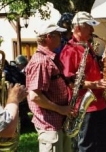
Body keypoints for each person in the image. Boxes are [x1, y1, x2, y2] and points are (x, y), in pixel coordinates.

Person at [59, 11, 106, 152]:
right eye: (89, 26)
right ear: (78, 28)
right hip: (84, 106)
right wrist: (95, 84)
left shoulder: (88, 46)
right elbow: (69, 81)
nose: (93, 30)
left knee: (104, 145)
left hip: (99, 103)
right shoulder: (69, 50)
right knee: (87, 146)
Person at [25, 22, 72, 152]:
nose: (61, 38)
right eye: (58, 34)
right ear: (48, 37)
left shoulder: (49, 59)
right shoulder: (41, 61)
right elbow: (35, 96)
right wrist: (61, 109)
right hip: (50, 125)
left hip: (59, 123)